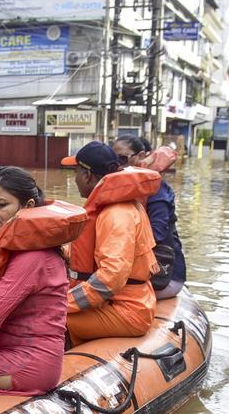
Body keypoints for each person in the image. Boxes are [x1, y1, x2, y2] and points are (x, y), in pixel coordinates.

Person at [0, 167, 76, 394]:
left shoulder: (33, 257)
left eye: (1, 205)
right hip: (11, 354)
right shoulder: (12, 247)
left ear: (28, 207)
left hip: (29, 363)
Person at [63, 141, 162, 346]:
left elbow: (110, 278)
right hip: (122, 303)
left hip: (125, 310)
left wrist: (64, 304)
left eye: (76, 173)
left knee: (47, 320)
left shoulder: (116, 214)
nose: (75, 180)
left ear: (87, 175)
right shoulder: (119, 206)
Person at [113, 136, 186, 299]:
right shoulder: (120, 190)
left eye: (122, 158)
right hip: (132, 270)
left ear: (141, 156)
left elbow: (157, 234)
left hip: (165, 276)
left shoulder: (157, 190)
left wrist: (119, 248)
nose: (118, 165)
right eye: (114, 160)